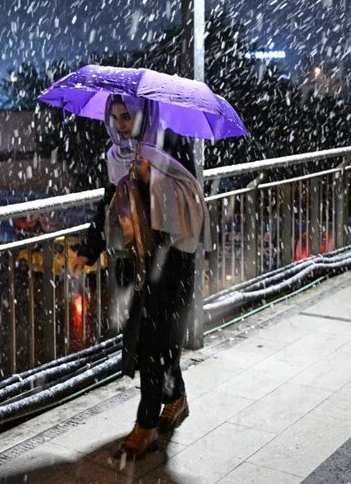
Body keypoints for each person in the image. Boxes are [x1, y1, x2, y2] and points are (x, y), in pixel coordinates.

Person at [71, 94, 208, 458]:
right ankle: (175, 398)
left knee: (154, 340)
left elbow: (190, 195)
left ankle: (146, 425)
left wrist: (153, 180)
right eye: (115, 117)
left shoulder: (171, 142)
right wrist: (89, 248)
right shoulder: (117, 157)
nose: (121, 124)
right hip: (140, 261)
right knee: (155, 338)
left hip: (175, 257)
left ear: (144, 113)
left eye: (127, 115)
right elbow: (109, 204)